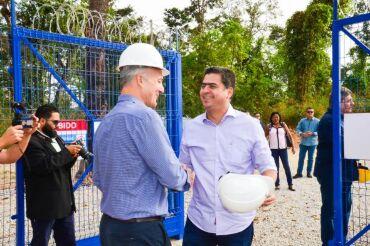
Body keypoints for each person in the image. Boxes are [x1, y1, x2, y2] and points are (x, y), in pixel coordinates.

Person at [93, 43, 189, 246]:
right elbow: (172, 177)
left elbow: (99, 178)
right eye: (159, 80)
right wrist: (186, 176)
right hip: (141, 232)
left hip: (110, 229)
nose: (162, 88)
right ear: (140, 79)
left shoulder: (107, 121)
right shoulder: (145, 117)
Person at [179, 67, 277, 245]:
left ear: (228, 92)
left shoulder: (250, 125)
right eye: (203, 86)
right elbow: (184, 165)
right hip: (198, 221)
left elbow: (268, 166)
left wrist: (266, 188)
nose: (205, 91)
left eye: (212, 86)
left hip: (237, 223)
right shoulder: (191, 127)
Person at [22, 104, 82, 246]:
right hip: (44, 206)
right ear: (42, 121)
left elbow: (63, 167)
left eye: (59, 122)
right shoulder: (31, 141)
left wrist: (72, 155)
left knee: (68, 242)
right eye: (54, 122)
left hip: (64, 204)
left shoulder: (57, 138)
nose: (57, 125)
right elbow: (42, 166)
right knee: (40, 242)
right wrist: (66, 152)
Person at [314, 87, 358, 245]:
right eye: (347, 101)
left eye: (350, 100)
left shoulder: (341, 119)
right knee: (332, 211)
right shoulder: (329, 121)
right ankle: (331, 242)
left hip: (343, 174)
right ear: (336, 103)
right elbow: (347, 147)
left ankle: (341, 240)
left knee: (345, 209)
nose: (351, 103)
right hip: (331, 174)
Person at [266, 112, 296, 191]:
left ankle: (290, 184)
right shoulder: (269, 126)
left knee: (286, 166)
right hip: (273, 150)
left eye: (277, 117)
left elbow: (289, 135)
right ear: (271, 118)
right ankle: (277, 184)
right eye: (274, 117)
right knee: (276, 167)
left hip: (283, 149)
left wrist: (293, 146)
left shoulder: (283, 125)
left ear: (279, 118)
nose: (276, 119)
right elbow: (264, 137)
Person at [293, 107, 320, 178]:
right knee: (301, 158)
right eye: (308, 112)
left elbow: (320, 131)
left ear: (313, 113)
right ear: (306, 113)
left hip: (312, 143)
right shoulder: (302, 121)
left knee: (310, 158)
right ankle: (299, 173)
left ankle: (309, 173)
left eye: (311, 112)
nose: (310, 113)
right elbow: (297, 129)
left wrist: (313, 133)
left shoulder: (317, 121)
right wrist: (302, 134)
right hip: (303, 143)